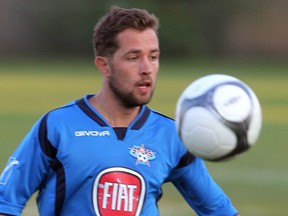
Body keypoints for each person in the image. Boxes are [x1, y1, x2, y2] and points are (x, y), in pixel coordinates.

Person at [0, 6, 240, 216]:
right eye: (133, 57)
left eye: (153, 57)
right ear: (104, 65)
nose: (147, 68)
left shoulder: (172, 135)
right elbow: (5, 203)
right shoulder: (57, 127)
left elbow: (218, 209)